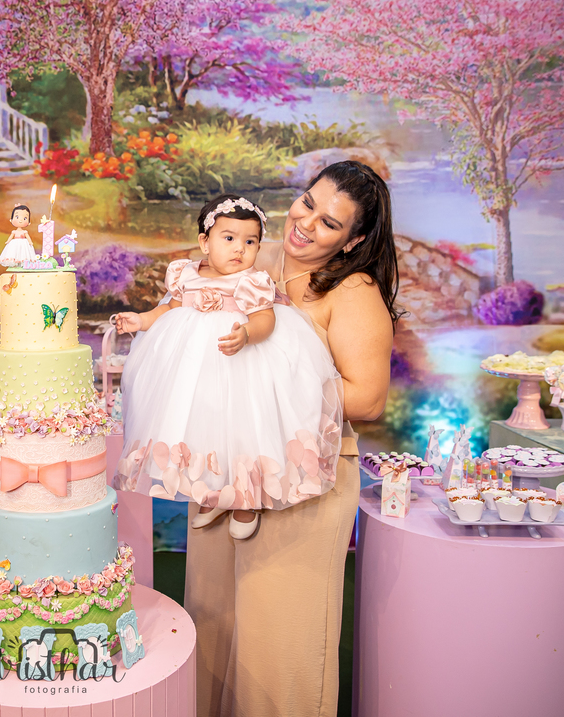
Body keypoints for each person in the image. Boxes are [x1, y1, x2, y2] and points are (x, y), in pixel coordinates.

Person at [183, 161, 400, 717]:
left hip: (303, 485)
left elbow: (368, 400)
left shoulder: (352, 291)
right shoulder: (253, 257)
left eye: (329, 223)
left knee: (276, 656)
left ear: (352, 242)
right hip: (225, 473)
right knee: (209, 633)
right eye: (308, 203)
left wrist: (274, 379)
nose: (305, 223)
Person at [112, 194, 344, 540]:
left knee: (244, 429)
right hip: (197, 369)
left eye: (250, 242)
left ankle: (247, 498)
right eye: (229, 238)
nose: (240, 249)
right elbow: (169, 309)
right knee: (204, 426)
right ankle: (214, 490)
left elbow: (265, 319)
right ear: (205, 242)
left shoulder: (252, 280)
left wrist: (247, 333)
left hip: (242, 366)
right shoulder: (185, 273)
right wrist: (141, 320)